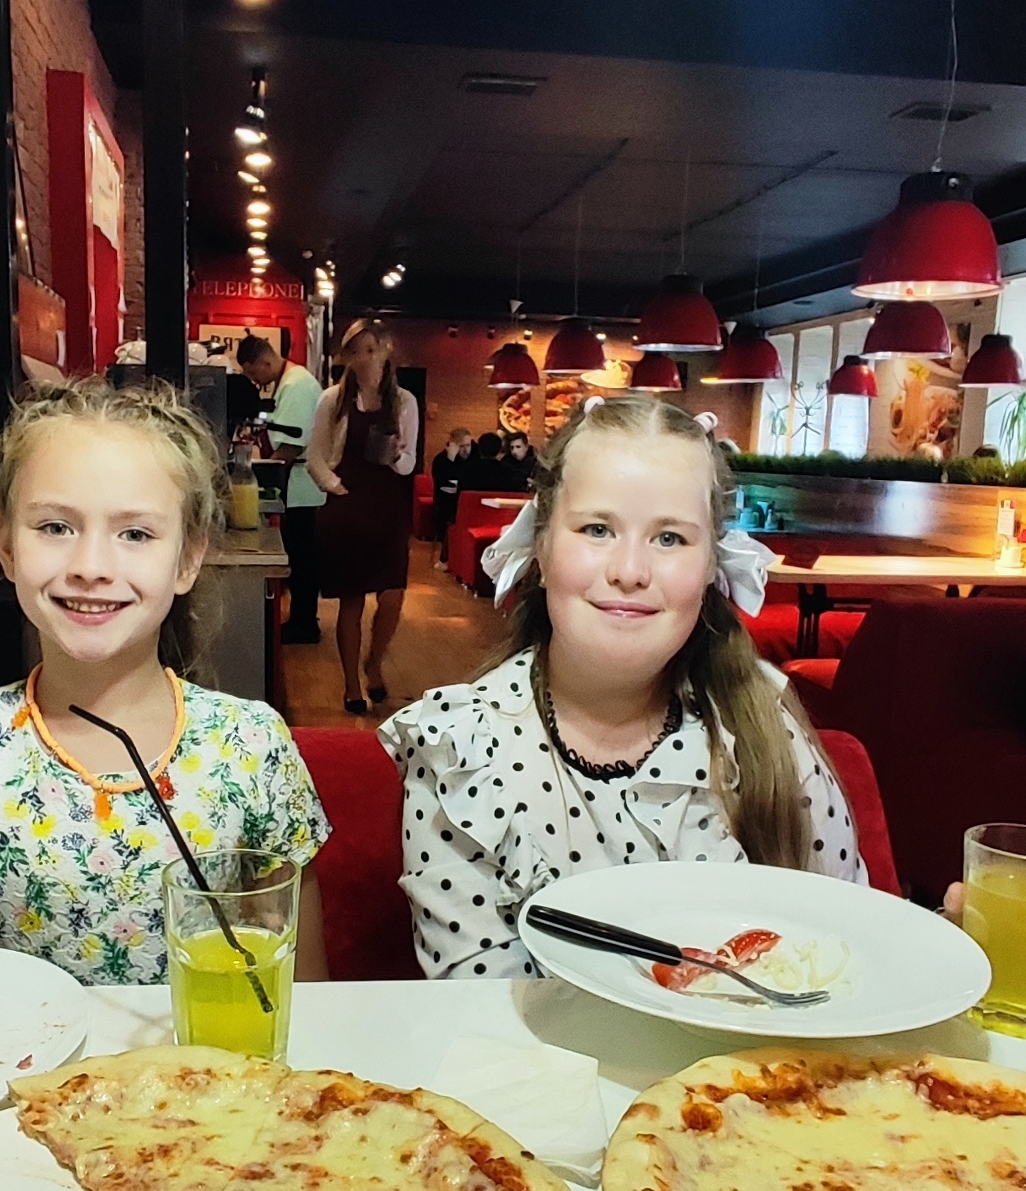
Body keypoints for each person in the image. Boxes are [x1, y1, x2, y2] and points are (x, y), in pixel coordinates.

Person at [0, 377, 329, 985]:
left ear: (187, 558)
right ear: (5, 544)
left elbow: (302, 996)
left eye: (136, 534)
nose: (91, 567)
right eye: (55, 527)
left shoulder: (253, 747)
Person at [380, 391, 863, 979]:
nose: (630, 571)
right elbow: (480, 1003)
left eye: (670, 538)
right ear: (540, 545)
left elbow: (848, 955)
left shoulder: (767, 738)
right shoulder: (461, 756)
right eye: (597, 529)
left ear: (713, 564)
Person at [306, 317, 419, 714]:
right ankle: (352, 685)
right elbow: (314, 457)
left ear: (386, 351)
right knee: (351, 602)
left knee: (392, 597)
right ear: (347, 358)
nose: (365, 358)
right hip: (348, 508)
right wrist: (335, 486)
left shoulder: (404, 402)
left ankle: (374, 662)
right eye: (356, 351)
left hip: (388, 508)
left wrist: (397, 456)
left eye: (372, 350)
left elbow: (410, 463)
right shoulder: (332, 400)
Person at [236, 330, 324, 643]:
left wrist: (264, 473)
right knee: (299, 557)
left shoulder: (297, 385)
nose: (255, 381)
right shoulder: (288, 381)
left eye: (253, 374)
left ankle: (305, 624)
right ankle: (301, 619)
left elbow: (290, 444)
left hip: (303, 487)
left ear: (265, 361)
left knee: (302, 559)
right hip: (297, 484)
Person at [431, 426, 474, 566]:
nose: (466, 450)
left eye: (468, 445)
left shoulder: (472, 460)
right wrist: (450, 459)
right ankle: (446, 557)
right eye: (462, 446)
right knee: (448, 513)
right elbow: (442, 481)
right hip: (445, 502)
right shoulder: (440, 460)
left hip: (465, 501)